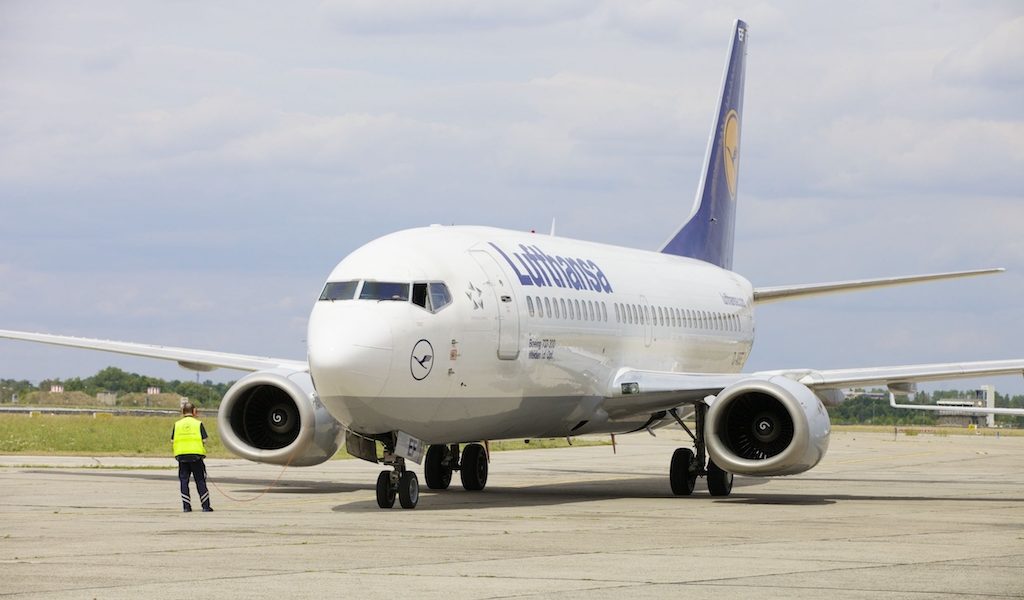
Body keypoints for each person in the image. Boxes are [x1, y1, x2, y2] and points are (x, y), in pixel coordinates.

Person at [171, 402, 213, 512]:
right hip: (196, 456)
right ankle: (205, 506)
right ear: (194, 411)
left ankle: (186, 506)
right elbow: (204, 440)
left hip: (181, 457)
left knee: (184, 481)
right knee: (200, 480)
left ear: (182, 412)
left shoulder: (177, 424)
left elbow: (172, 440)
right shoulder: (198, 424)